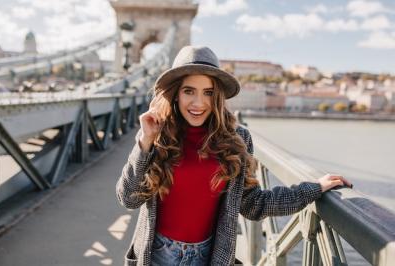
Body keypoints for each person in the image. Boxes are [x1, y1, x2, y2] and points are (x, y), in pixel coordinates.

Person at [116, 46, 352, 266]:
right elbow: (128, 198)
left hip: (208, 255)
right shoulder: (156, 133)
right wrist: (145, 143)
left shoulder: (237, 139)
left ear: (217, 95)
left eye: (208, 92)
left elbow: (253, 204)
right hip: (157, 254)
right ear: (175, 93)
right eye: (189, 91)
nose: (199, 103)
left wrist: (313, 189)